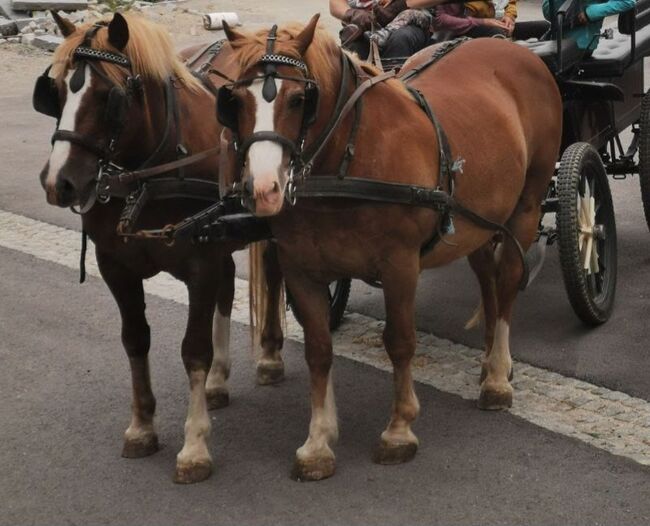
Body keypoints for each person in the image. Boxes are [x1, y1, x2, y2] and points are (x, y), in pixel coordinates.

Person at [329, 0, 445, 59]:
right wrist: (352, 14)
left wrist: (401, 5)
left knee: (400, 39)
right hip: (363, 26)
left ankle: (396, 93)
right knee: (353, 42)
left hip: (410, 22)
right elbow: (335, 4)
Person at [542, 0, 635, 53]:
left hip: (580, 46)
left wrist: (590, 13)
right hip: (559, 37)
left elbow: (628, 2)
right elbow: (548, 13)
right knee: (535, 28)